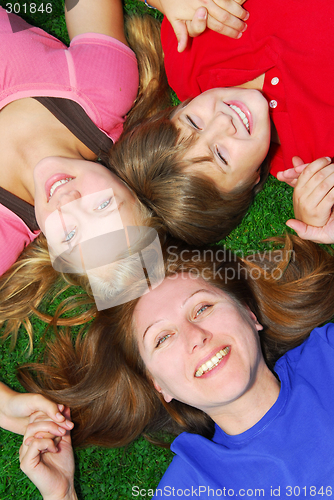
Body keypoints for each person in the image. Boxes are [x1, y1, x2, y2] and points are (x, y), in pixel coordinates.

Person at [16, 234, 334, 498]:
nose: (195, 337)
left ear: (249, 314)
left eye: (202, 308)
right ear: (159, 385)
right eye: (163, 338)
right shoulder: (193, 486)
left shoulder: (328, 352)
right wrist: (63, 495)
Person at [106, 0, 334, 245]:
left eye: (193, 122)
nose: (223, 122)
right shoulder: (318, 158)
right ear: (249, 183)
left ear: (178, 109)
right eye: (221, 156)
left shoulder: (187, 54)